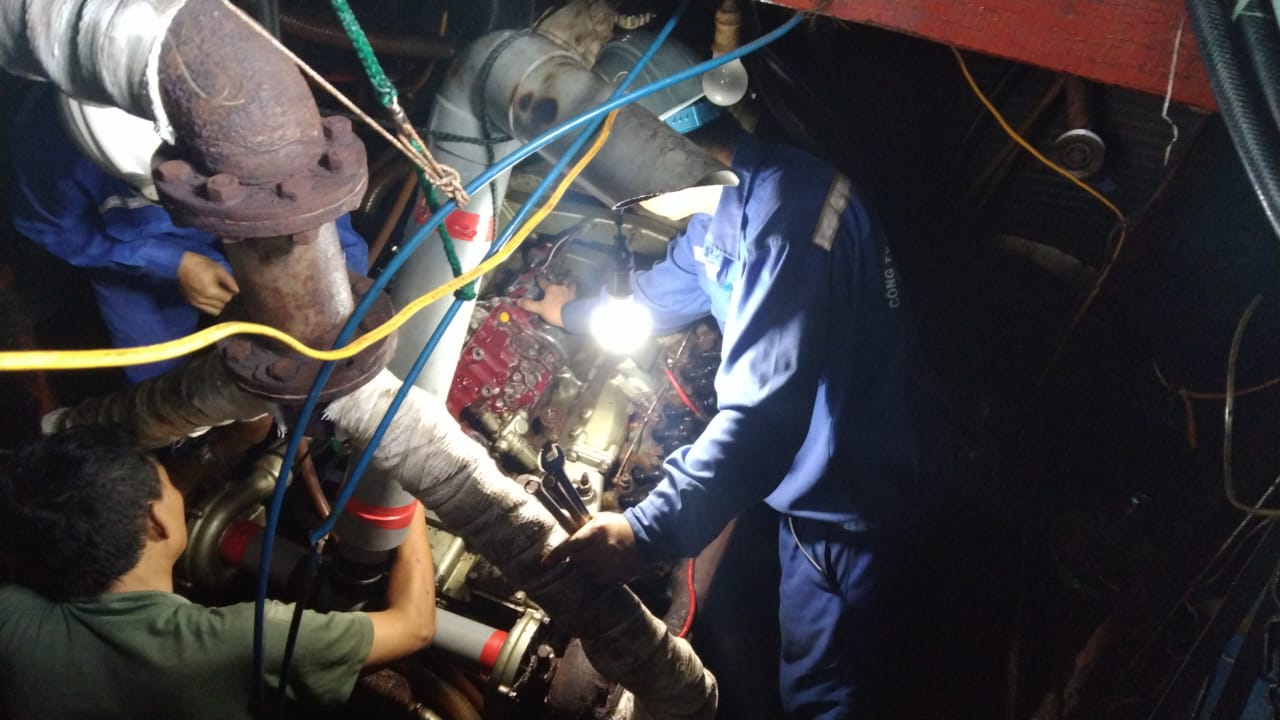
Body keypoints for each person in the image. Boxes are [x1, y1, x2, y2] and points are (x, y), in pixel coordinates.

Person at [521, 113, 943, 719]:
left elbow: (761, 423)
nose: (633, 204)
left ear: (661, 151)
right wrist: (571, 312)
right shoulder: (723, 202)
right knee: (806, 668)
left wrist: (645, 532)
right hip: (809, 491)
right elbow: (668, 290)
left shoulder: (789, 222)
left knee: (828, 690)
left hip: (856, 501)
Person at [0, 425, 436, 720]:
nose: (179, 487)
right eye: (169, 483)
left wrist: (225, 445)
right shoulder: (245, 641)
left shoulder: (15, 622)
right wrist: (404, 492)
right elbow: (414, 625)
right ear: (156, 521)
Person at [7, 84, 370, 382]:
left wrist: (326, 295)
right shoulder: (51, 149)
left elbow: (321, 220)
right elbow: (53, 229)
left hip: (256, 231)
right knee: (153, 376)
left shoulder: (265, 110)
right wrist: (171, 264)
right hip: (135, 257)